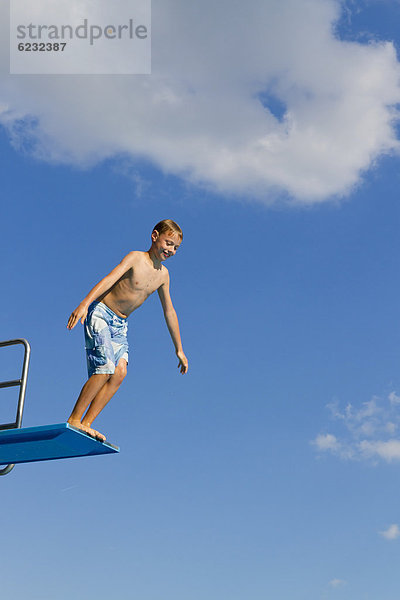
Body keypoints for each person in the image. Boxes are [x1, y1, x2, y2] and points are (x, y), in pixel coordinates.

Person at [66, 219, 188, 442]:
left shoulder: (163, 275)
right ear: (154, 236)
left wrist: (179, 349)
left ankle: (86, 423)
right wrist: (84, 304)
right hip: (102, 313)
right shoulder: (136, 258)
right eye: (168, 243)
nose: (170, 250)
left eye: (175, 248)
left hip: (121, 325)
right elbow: (109, 279)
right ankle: (74, 419)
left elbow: (169, 311)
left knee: (119, 373)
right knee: (104, 368)